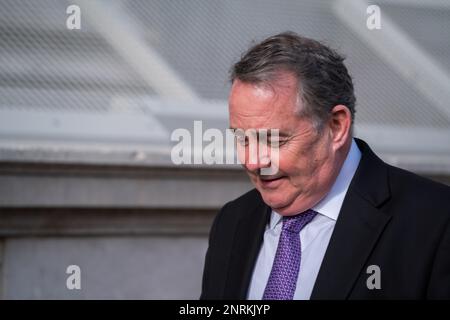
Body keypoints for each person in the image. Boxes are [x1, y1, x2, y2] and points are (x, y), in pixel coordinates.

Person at [200, 31, 450, 300]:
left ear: (336, 126)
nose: (252, 161)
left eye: (274, 140)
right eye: (242, 139)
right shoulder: (232, 221)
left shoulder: (436, 223)